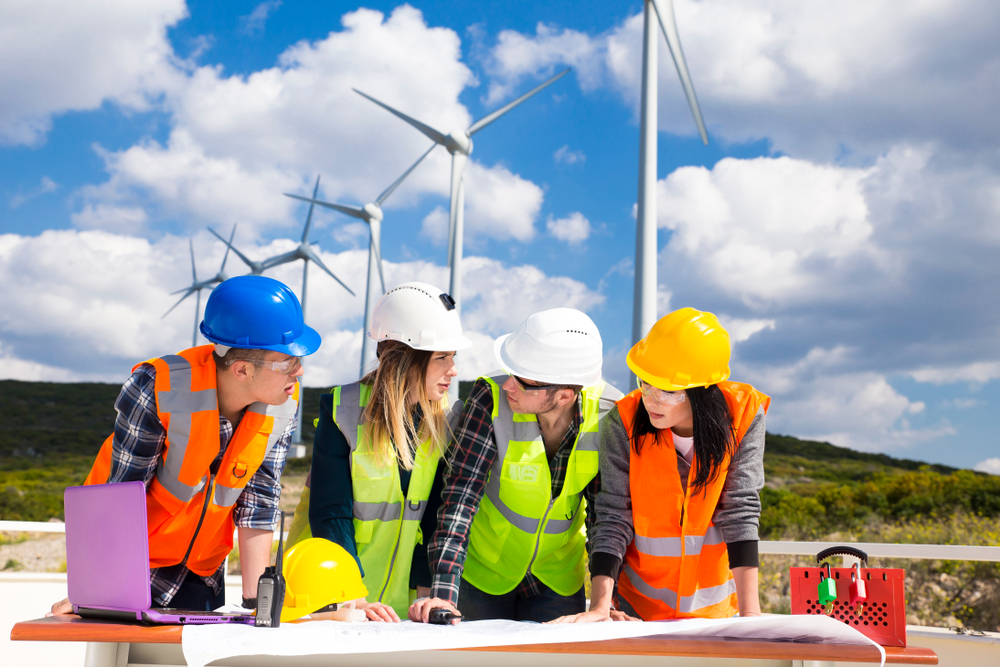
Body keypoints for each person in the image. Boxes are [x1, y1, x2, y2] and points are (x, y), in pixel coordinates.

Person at [49, 275, 318, 615]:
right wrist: (99, 588)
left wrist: (258, 606)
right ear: (241, 370)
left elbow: (259, 505)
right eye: (287, 363)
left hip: (201, 576)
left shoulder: (282, 406)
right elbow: (120, 495)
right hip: (130, 569)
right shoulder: (156, 387)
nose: (300, 372)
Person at [552, 307, 770, 624]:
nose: (650, 399)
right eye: (645, 383)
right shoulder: (623, 422)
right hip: (635, 609)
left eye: (667, 390)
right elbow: (613, 514)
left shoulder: (744, 417)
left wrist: (751, 615)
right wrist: (600, 607)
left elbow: (740, 509)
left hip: (714, 612)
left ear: (703, 391)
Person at [410, 308, 623, 624]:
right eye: (510, 372)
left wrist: (604, 606)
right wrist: (443, 592)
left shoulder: (610, 414)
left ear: (564, 396)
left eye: (523, 381)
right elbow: (460, 497)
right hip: (482, 574)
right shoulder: (490, 397)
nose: (508, 384)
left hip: (557, 577)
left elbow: (606, 515)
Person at [285, 282, 471, 622]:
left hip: (396, 609)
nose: (453, 370)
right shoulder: (341, 409)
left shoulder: (446, 420)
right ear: (408, 359)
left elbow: (433, 520)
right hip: (329, 599)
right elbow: (331, 514)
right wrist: (351, 598)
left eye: (453, 357)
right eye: (442, 357)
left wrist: (428, 596)